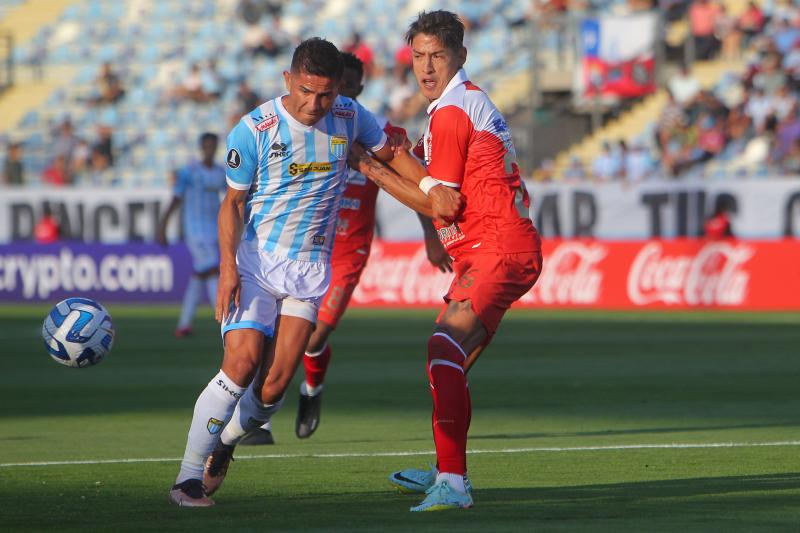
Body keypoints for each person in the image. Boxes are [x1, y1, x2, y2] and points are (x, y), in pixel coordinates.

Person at [167, 37, 462, 508]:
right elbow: (233, 204)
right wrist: (227, 270)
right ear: (289, 80)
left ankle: (223, 444)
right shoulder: (255, 128)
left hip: (309, 272)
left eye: (326, 94)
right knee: (241, 364)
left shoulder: (349, 116)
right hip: (258, 265)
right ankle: (186, 480)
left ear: (340, 90)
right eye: (306, 91)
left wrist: (429, 185)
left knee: (274, 388)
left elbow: (391, 154)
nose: (315, 104)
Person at [348, 10, 541, 511]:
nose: (426, 67)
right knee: (447, 361)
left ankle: (453, 485)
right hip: (493, 249)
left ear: (460, 56)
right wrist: (394, 156)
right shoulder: (457, 106)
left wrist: (368, 167)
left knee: (442, 348)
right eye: (418, 56)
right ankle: (446, 470)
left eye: (437, 55)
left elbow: (442, 203)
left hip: (494, 247)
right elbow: (431, 182)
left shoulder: (453, 111)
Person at [239, 52, 451, 446]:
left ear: (356, 89)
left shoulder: (370, 129)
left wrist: (431, 234)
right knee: (268, 333)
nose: (338, 98)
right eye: (337, 89)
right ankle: (260, 420)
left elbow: (410, 179)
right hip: (297, 246)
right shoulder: (301, 127)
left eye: (347, 89)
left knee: (313, 338)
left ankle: (312, 390)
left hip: (345, 253)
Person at [157, 133, 226, 338]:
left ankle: (184, 324)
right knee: (213, 268)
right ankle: (223, 319)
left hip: (214, 228)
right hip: (194, 230)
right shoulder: (189, 172)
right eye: (206, 146)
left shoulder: (221, 172)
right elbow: (175, 199)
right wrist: (162, 226)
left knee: (199, 274)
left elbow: (231, 197)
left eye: (212, 146)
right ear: (201, 147)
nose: (209, 149)